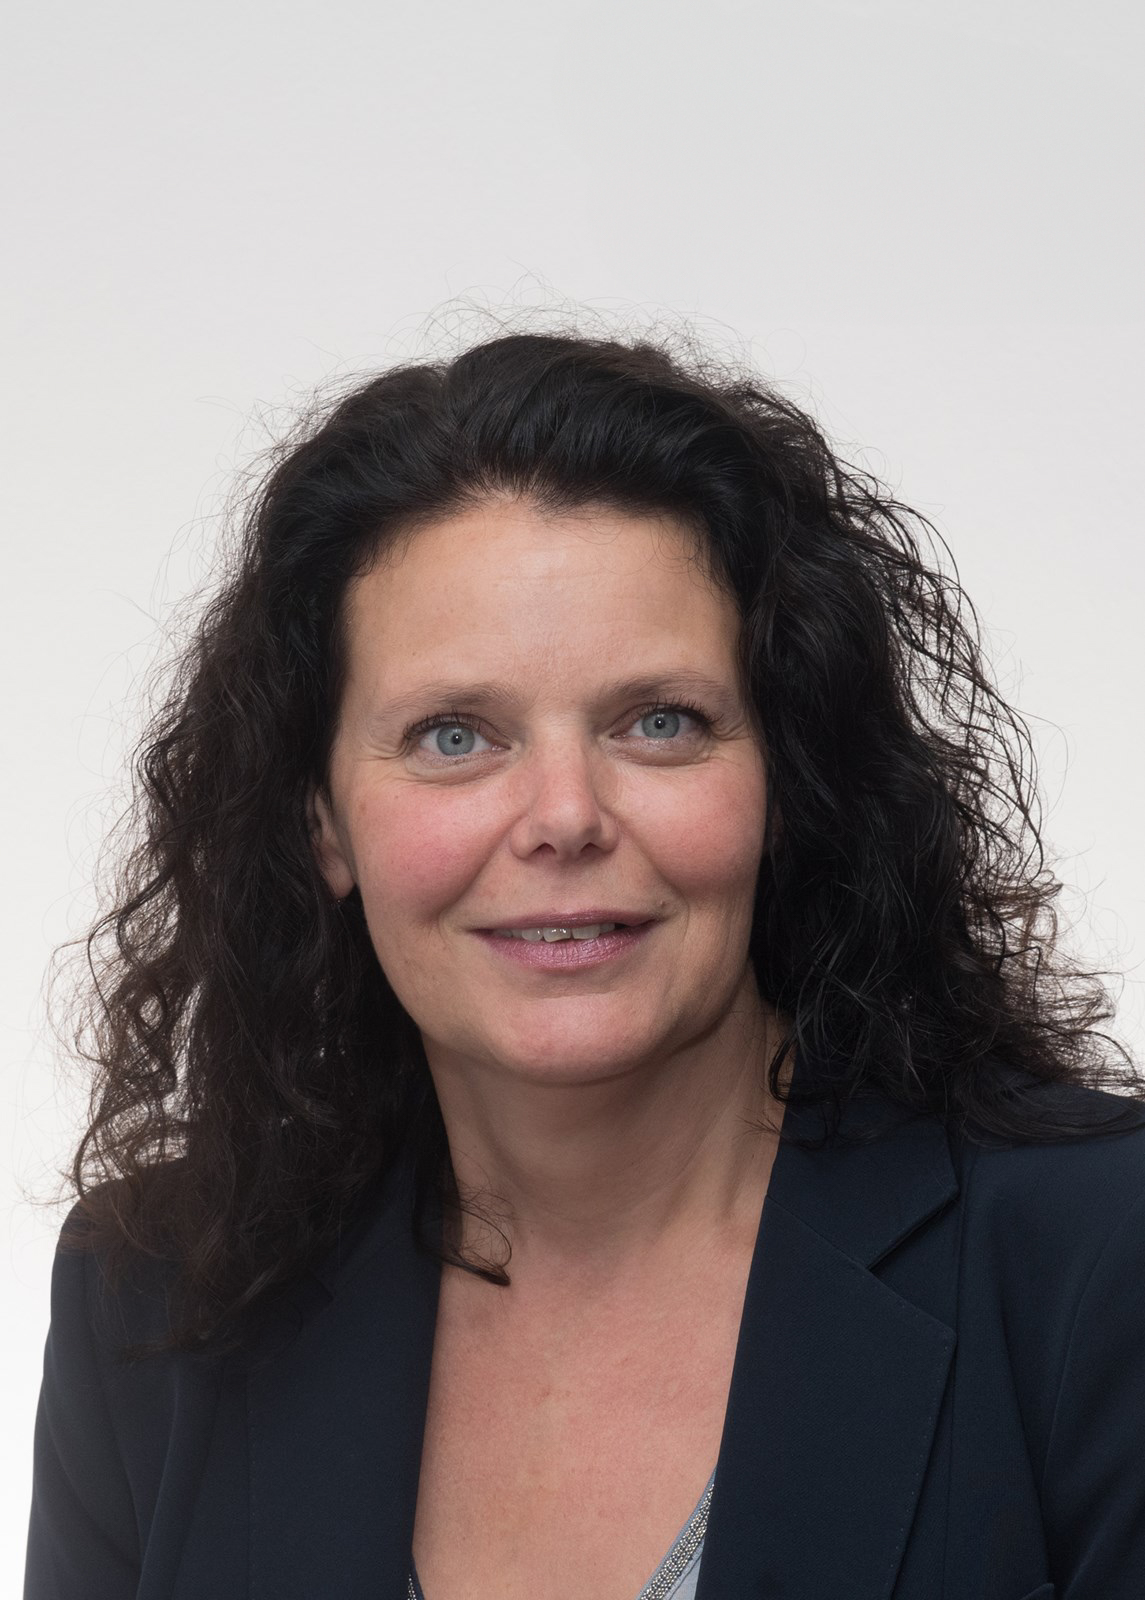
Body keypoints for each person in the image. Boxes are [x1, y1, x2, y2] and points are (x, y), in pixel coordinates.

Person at [23, 325, 1145, 1600]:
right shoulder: (151, 1298)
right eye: (454, 736)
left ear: (786, 781)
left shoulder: (1099, 1256)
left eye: (658, 722)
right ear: (321, 821)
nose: (563, 816)